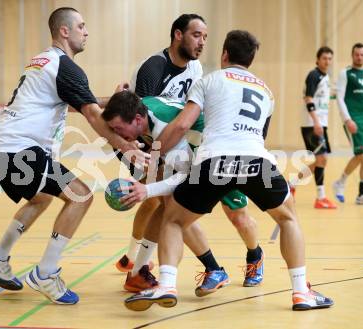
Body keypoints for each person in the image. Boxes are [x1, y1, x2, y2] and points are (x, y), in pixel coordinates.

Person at [124, 30, 334, 312]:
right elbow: (260, 136)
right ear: (251, 59)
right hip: (255, 160)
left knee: (173, 219)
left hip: (213, 161)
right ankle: (300, 292)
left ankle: (166, 284)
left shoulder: (208, 80)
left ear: (224, 54)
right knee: (288, 218)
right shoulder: (265, 90)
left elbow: (183, 124)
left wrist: (157, 152)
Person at [0, 7, 148, 305]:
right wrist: (126, 146)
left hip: (0, 148)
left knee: (41, 198)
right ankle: (45, 273)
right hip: (19, 149)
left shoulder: (43, 62)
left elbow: (78, 103)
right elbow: (93, 115)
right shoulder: (65, 66)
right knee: (80, 196)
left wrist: (112, 99)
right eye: (81, 26)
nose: (86, 31)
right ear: (64, 31)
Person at [115, 14, 264, 293]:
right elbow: (143, 113)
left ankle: (255, 255)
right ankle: (139, 263)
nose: (202, 42)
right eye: (197, 35)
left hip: (205, 145)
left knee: (236, 214)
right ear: (177, 35)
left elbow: (187, 115)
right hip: (167, 143)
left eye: (206, 37)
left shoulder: (196, 69)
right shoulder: (154, 67)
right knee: (167, 204)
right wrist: (140, 152)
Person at [103, 92, 262, 295]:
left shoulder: (164, 130)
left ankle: (255, 255)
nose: (116, 134)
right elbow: (102, 118)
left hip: (224, 154)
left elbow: (182, 176)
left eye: (119, 130)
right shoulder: (140, 109)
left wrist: (147, 189)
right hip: (195, 154)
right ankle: (141, 273)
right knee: (173, 208)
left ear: (137, 120)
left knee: (239, 217)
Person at [289, 47, 337, 209]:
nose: (327, 61)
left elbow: (322, 97)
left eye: (330, 58)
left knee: (319, 161)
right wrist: (316, 122)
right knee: (322, 159)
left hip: (320, 124)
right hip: (312, 124)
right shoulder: (314, 75)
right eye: (324, 58)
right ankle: (321, 198)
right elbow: (308, 98)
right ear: (318, 59)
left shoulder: (325, 77)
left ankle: (291, 184)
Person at [333, 43, 363, 205]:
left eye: (362, 54)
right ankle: (341, 182)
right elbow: (339, 98)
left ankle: (362, 194)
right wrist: (347, 119)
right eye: (357, 54)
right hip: (354, 119)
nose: (359, 57)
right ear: (352, 55)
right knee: (362, 155)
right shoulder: (345, 73)